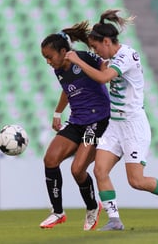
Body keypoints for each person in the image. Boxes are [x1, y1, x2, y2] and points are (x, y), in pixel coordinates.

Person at [65, 9, 158, 231]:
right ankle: (114, 220)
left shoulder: (127, 56)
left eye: (97, 46)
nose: (96, 52)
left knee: (136, 181)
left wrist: (76, 60)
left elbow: (103, 78)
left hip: (133, 126)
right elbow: (101, 68)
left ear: (108, 41)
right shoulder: (110, 57)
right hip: (115, 125)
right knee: (99, 171)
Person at [39, 21, 110, 230]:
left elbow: (106, 67)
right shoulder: (59, 69)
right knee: (50, 159)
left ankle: (92, 207)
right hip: (77, 121)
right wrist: (57, 112)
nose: (48, 62)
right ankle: (58, 212)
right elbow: (68, 90)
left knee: (77, 169)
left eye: (49, 57)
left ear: (63, 51)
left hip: (97, 122)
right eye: (45, 58)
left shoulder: (85, 58)